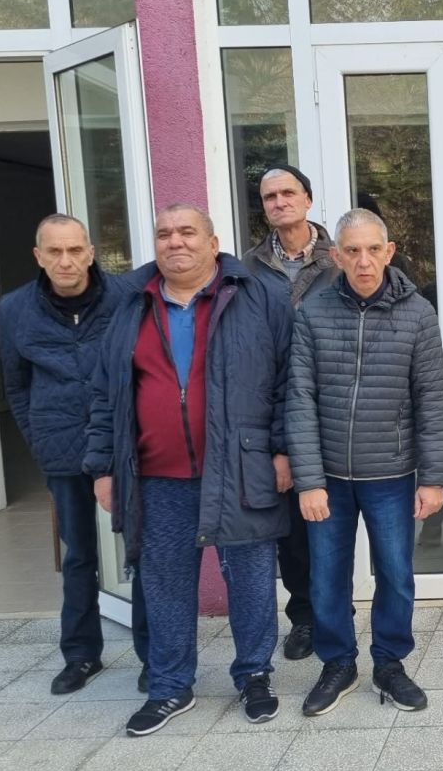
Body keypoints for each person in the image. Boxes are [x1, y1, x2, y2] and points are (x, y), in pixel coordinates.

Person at [85, 203, 293, 735]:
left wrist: (282, 450)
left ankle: (254, 675)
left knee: (250, 580)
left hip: (240, 468)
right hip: (156, 476)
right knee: (164, 584)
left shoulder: (258, 296)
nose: (175, 242)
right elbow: (105, 393)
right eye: (164, 233)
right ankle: (171, 685)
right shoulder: (129, 303)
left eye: (187, 232)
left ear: (212, 242)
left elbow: (288, 381)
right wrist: (103, 467)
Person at [286, 208, 443, 716]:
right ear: (336, 256)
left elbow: (431, 400)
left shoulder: (418, 314)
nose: (363, 261)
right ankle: (338, 663)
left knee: (396, 574)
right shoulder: (313, 313)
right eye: (352, 251)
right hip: (329, 478)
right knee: (326, 578)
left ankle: (389, 664)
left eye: (373, 249)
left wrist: (433, 478)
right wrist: (309, 481)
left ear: (389, 252)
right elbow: (299, 398)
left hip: (392, 475)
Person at [0, 213, 149, 695]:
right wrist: (41, 443)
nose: (66, 260)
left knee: (141, 550)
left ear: (90, 253)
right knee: (79, 554)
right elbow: (17, 386)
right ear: (38, 256)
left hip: (124, 444)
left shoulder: (126, 296)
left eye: (74, 250)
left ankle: (154, 654)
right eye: (54, 251)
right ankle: (81, 655)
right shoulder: (14, 309)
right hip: (61, 447)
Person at [242, 164, 338, 661]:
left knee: (331, 526)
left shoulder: (339, 259)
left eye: (288, 193)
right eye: (270, 197)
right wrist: (276, 442)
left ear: (308, 199)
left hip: (336, 412)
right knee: (293, 532)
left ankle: (335, 614)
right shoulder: (247, 269)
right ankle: (304, 618)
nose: (279, 202)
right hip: (277, 410)